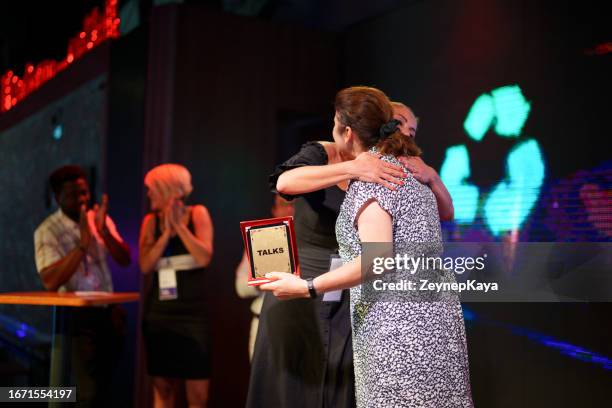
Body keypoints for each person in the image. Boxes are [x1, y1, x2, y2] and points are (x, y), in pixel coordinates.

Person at [261, 86, 474, 407]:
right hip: (437, 317)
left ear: (347, 132)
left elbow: (376, 261)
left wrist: (306, 286)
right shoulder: (413, 176)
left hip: (396, 323)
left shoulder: (373, 182)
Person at [34, 165, 131, 406]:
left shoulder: (97, 218)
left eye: (85, 193)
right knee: (86, 392)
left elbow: (125, 259)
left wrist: (104, 232)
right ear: (58, 197)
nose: (83, 200)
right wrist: (82, 246)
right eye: (74, 195)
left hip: (108, 313)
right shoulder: (48, 230)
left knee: (106, 388)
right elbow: (50, 280)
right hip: (78, 317)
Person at [139, 164, 214, 408]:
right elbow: (145, 266)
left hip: (193, 315)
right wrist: (165, 235)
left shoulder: (197, 213)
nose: (148, 194)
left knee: (198, 394)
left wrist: (180, 228)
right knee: (163, 388)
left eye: (152, 189)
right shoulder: (150, 222)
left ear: (166, 189)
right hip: (160, 313)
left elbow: (204, 256)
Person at [234, 194, 294, 361]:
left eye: (294, 205)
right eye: (283, 205)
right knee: (264, 384)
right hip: (265, 321)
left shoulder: (314, 243)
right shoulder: (263, 240)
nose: (290, 209)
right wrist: (262, 280)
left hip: (302, 323)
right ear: (274, 210)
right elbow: (240, 287)